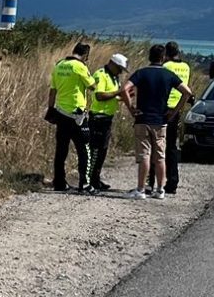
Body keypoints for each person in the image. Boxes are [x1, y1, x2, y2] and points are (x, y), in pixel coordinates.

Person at [120, 44, 193, 200]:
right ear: (163, 57)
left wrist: (131, 108)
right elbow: (187, 92)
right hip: (160, 120)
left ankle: (141, 189)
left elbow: (124, 89)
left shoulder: (141, 73)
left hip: (143, 118)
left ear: (149, 56)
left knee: (144, 155)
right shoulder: (169, 75)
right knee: (160, 156)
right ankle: (160, 189)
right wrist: (174, 111)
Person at [48, 42, 95, 192]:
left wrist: (50, 108)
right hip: (77, 115)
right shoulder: (80, 66)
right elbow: (92, 86)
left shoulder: (59, 65)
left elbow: (53, 90)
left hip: (61, 113)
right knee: (84, 149)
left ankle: (59, 182)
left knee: (61, 150)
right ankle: (85, 184)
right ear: (86, 55)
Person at [86, 53, 128, 191]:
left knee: (102, 151)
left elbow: (111, 96)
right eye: (119, 68)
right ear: (112, 64)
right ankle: (91, 180)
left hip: (107, 118)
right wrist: (118, 92)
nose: (121, 72)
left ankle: (96, 179)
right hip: (98, 118)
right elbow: (99, 95)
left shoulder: (114, 77)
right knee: (96, 151)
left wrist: (124, 95)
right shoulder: (101, 74)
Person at [160, 42, 191, 194]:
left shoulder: (166, 67)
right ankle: (173, 181)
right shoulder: (186, 67)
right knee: (172, 146)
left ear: (166, 53)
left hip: (164, 108)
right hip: (177, 108)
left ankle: (154, 181)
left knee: (159, 146)